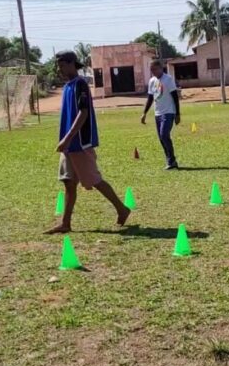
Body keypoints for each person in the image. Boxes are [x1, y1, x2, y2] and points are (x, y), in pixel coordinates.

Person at [45, 51, 131, 234]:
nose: (59, 69)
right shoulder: (68, 86)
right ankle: (65, 223)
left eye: (61, 65)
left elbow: (83, 113)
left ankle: (122, 208)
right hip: (68, 146)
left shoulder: (81, 85)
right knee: (68, 181)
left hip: (79, 143)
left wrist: (67, 138)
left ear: (71, 64)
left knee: (94, 180)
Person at [141, 61, 181, 170]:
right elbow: (150, 98)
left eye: (155, 69)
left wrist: (177, 114)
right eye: (151, 70)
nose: (153, 72)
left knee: (164, 135)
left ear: (161, 68)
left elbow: (175, 97)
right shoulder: (152, 81)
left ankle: (171, 160)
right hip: (157, 113)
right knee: (161, 138)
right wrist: (144, 113)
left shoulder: (168, 79)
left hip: (168, 112)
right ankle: (170, 161)